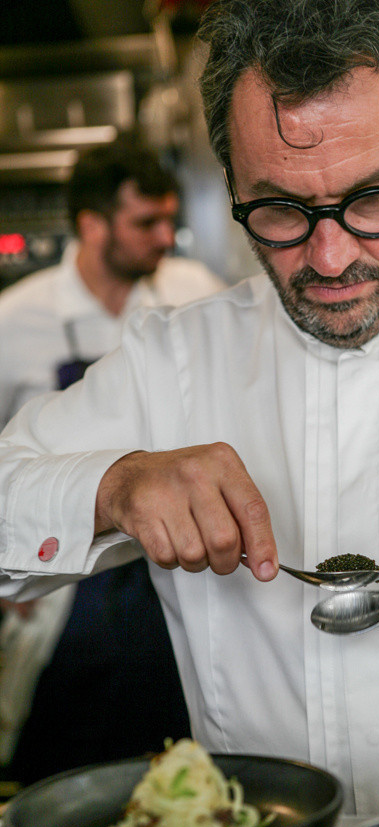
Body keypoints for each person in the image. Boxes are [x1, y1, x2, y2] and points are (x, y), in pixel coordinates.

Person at [0, 0, 379, 817]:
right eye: (279, 209)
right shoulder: (173, 359)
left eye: (373, 198)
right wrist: (113, 487)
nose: (330, 254)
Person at [0, 136, 225, 784]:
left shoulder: (195, 292)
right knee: (70, 761)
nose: (165, 237)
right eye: (145, 223)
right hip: (66, 578)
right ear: (93, 225)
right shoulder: (18, 319)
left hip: (172, 557)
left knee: (175, 745)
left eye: (169, 218)